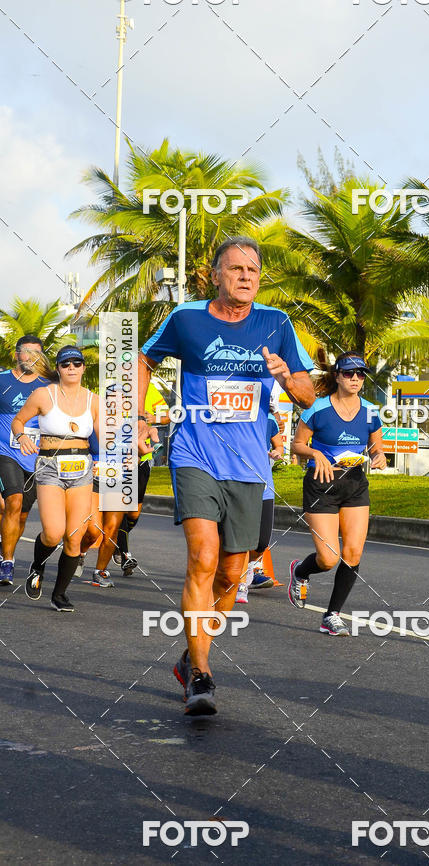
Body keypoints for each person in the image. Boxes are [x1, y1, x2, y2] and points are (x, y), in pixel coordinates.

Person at [138, 236, 315, 715]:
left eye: (253, 271)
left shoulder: (276, 323)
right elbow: (142, 358)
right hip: (195, 454)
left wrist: (286, 378)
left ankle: (189, 654)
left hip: (250, 462)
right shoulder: (187, 318)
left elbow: (306, 394)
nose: (245, 277)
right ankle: (201, 675)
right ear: (215, 275)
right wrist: (135, 415)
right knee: (202, 556)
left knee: (232, 573)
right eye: (235, 269)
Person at [288, 351, 386, 635]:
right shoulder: (317, 409)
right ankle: (301, 571)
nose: (355, 378)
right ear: (337, 376)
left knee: (353, 552)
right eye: (349, 373)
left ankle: (332, 615)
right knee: (328, 559)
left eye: (360, 374)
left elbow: (375, 445)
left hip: (354, 483)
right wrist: (315, 452)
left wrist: (379, 456)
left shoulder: (370, 411)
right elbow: (297, 445)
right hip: (322, 484)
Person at [13, 346, 99, 611]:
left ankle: (59, 594)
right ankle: (37, 566)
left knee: (74, 535)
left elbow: (107, 437)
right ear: (59, 369)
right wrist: (23, 436)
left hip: (81, 467)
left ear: (83, 367)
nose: (71, 368)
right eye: (65, 364)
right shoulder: (43, 394)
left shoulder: (93, 400)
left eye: (76, 363)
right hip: (50, 466)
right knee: (53, 533)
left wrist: (118, 453)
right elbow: (18, 421)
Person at [79, 382, 163, 584]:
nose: (117, 404)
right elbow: (80, 446)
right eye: (112, 400)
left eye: (122, 400)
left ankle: (100, 572)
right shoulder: (93, 423)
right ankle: (81, 553)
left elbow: (144, 450)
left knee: (111, 530)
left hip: (119, 481)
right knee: (93, 530)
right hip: (95, 480)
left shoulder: (133, 427)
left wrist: (137, 456)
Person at [0, 335, 51, 586]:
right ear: (17, 354)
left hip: (34, 459)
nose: (30, 357)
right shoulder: (2, 380)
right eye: (26, 352)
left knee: (21, 515)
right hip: (5, 452)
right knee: (14, 501)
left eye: (36, 353)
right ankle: (8, 562)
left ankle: (4, 549)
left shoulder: (48, 385)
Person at [235, 412, 284, 603]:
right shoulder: (233, 417)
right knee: (238, 539)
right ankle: (240, 583)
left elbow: (278, 444)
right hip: (236, 483)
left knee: (262, 542)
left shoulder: (269, 420)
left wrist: (277, 451)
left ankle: (247, 569)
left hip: (264, 487)